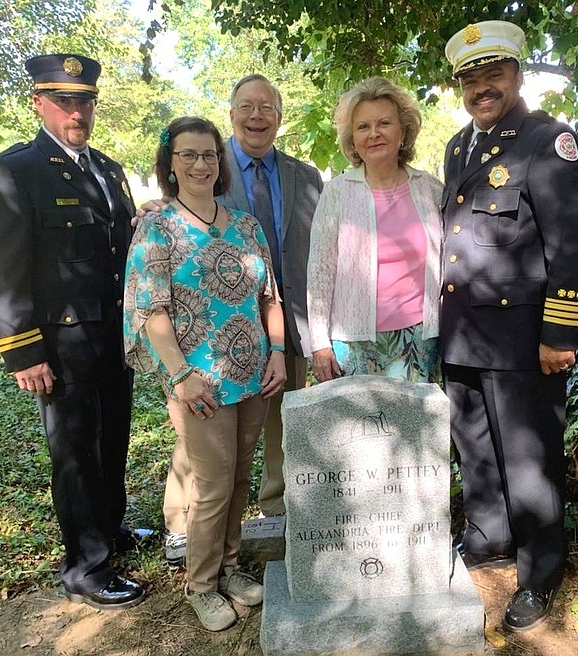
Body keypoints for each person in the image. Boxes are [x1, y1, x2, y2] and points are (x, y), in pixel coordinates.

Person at [0, 54, 145, 609]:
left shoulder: (108, 169)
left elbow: (124, 246)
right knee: (75, 454)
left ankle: (110, 532)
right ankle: (86, 568)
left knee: (112, 438)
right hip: (63, 343)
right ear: (39, 103)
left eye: (85, 100)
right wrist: (23, 352)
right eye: (64, 100)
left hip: (113, 336)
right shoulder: (14, 171)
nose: (76, 111)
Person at [442, 21, 578, 631]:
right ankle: (487, 537)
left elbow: (575, 242)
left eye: (494, 74)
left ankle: (538, 571)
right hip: (464, 334)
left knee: (529, 461)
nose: (483, 87)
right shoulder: (459, 147)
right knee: (475, 447)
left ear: (517, 75)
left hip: (524, 340)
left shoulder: (547, 141)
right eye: (471, 78)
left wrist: (560, 333)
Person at [123, 116, 286, 631]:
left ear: (221, 162)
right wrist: (181, 377)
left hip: (254, 374)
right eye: (189, 155)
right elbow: (151, 311)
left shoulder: (244, 226)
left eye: (210, 155)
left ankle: (231, 566)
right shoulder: (157, 226)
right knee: (212, 486)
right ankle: (201, 584)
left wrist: (278, 352)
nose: (201, 164)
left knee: (241, 477)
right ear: (170, 163)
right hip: (199, 382)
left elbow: (270, 298)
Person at [158, 74, 323, 569]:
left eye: (267, 107)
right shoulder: (208, 164)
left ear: (279, 115)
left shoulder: (306, 177)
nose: (257, 116)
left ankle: (273, 513)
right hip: (206, 342)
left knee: (278, 427)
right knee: (204, 443)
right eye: (246, 107)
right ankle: (183, 529)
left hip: (281, 328)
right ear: (231, 114)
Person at [307, 76, 443, 385]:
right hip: (352, 342)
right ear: (352, 140)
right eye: (363, 127)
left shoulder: (429, 189)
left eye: (384, 123)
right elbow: (320, 273)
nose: (374, 134)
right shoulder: (338, 193)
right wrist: (319, 343)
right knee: (358, 432)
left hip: (419, 339)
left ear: (403, 131)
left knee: (413, 431)